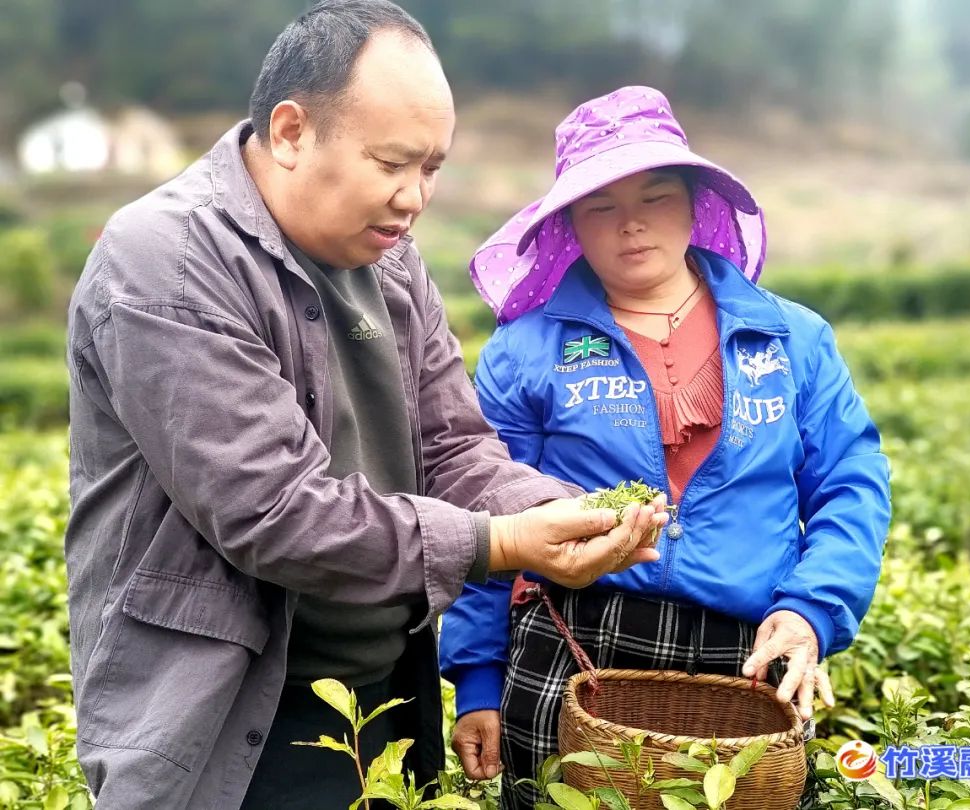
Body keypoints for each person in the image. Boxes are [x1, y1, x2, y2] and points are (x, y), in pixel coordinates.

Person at [63, 7, 667, 809]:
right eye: (392, 162)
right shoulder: (167, 260)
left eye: (432, 169)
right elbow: (273, 511)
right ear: (289, 132)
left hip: (381, 700)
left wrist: (561, 508)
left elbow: (451, 446)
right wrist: (504, 541)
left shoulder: (391, 261)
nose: (413, 198)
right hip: (226, 723)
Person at [440, 86, 891, 809]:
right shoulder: (525, 353)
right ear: (571, 227)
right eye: (602, 207)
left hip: (746, 658)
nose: (633, 226)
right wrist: (477, 680)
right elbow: (486, 509)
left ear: (693, 203)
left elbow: (850, 479)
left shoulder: (792, 338)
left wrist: (813, 609)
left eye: (655, 196)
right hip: (574, 645)